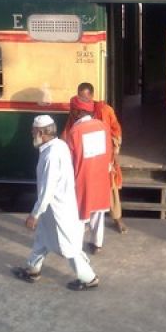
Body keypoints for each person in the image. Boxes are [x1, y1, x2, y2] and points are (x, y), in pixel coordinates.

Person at [12, 115, 99, 291]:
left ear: (41, 132)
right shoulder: (59, 146)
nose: (31, 133)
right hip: (52, 208)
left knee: (69, 246)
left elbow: (47, 189)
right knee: (42, 238)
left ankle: (89, 278)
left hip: (58, 208)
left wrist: (34, 214)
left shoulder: (50, 156)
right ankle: (32, 269)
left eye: (33, 131)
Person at [64, 82, 128, 234]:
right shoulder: (76, 111)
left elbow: (116, 130)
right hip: (84, 159)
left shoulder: (105, 110)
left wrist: (114, 146)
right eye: (79, 96)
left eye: (85, 96)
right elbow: (68, 132)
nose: (82, 99)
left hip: (104, 157)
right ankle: (85, 220)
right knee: (85, 189)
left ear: (92, 96)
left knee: (111, 188)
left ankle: (117, 218)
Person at [64, 96, 113, 254]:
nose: (70, 112)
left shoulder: (75, 131)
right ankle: (97, 243)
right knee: (98, 212)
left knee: (80, 214)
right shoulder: (102, 126)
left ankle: (75, 247)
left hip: (83, 178)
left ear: (77, 111)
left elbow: (69, 159)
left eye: (72, 109)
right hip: (100, 176)